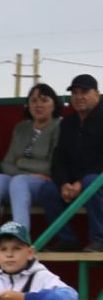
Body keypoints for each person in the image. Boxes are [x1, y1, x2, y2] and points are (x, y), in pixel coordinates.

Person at [0, 83, 63, 238]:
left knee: (19, 181)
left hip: (46, 183)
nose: (38, 104)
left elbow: (52, 165)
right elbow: (6, 164)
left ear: (54, 104)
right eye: (33, 100)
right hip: (23, 181)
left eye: (44, 100)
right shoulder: (21, 127)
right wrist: (30, 174)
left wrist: (21, 163)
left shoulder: (60, 125)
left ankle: (21, 237)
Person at [51, 74, 103, 250]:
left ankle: (100, 239)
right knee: (47, 189)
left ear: (97, 94)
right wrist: (64, 183)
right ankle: (67, 240)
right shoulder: (68, 123)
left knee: (92, 182)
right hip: (74, 184)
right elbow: (59, 158)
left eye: (84, 92)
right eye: (75, 92)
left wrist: (81, 183)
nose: (79, 97)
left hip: (96, 181)